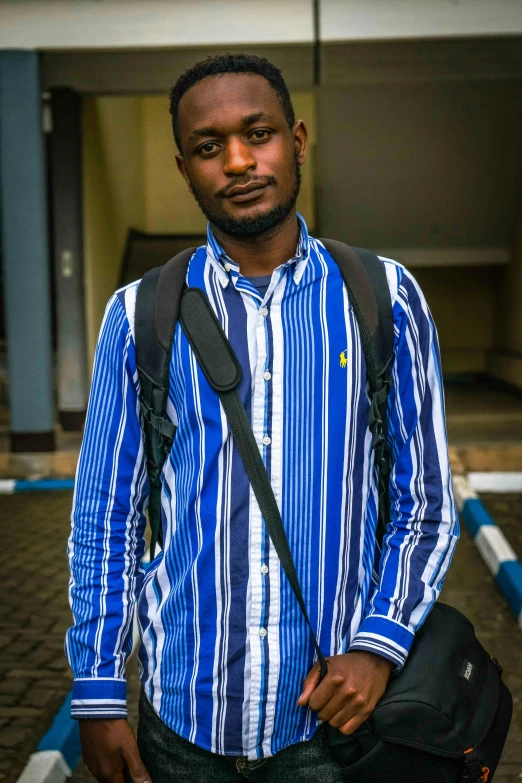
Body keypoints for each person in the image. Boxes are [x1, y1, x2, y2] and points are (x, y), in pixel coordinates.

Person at [66, 53, 459, 783]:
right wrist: (97, 693)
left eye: (260, 133)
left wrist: (378, 645)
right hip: (181, 726)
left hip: (333, 727)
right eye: (210, 147)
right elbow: (105, 518)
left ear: (298, 140)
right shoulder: (138, 315)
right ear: (185, 168)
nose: (239, 161)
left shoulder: (383, 298)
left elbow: (426, 504)